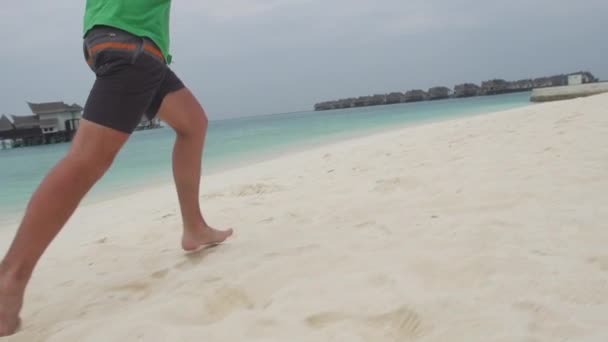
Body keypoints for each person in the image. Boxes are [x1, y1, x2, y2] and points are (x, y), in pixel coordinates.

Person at [0, 0, 233, 336]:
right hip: (131, 44)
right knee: (87, 160)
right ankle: (11, 276)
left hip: (121, 42)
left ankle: (194, 226)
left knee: (193, 122)